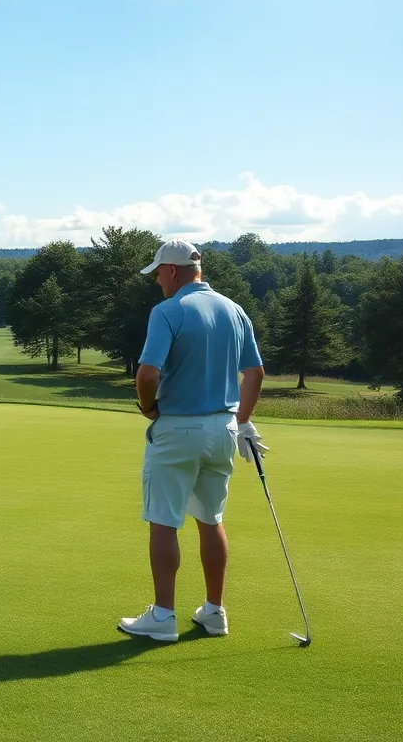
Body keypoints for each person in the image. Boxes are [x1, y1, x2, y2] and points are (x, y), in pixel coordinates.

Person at [117, 239, 267, 642]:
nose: (157, 282)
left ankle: (163, 617)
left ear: (171, 270)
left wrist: (148, 407)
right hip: (224, 429)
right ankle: (215, 613)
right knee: (211, 519)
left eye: (157, 274)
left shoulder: (167, 311)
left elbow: (147, 373)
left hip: (178, 429)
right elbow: (255, 373)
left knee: (164, 521)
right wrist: (243, 422)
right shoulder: (234, 309)